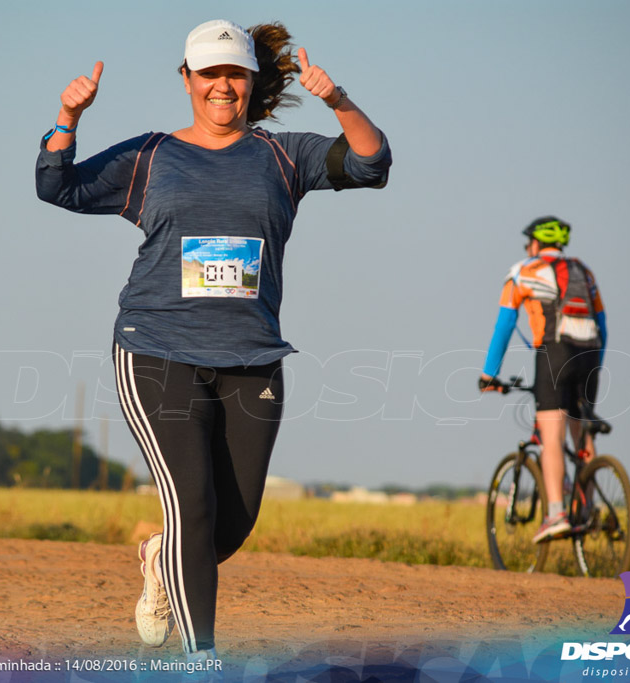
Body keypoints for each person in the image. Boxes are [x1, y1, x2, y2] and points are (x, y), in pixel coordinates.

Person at [35, 19, 391, 662]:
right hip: (156, 349)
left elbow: (371, 163)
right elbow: (57, 186)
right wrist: (68, 114)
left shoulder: (285, 156)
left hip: (252, 357)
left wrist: (338, 100)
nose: (222, 86)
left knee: (233, 522)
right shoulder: (149, 155)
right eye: (209, 73)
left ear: (251, 82)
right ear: (187, 79)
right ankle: (203, 660)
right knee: (193, 507)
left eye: (234, 73)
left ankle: (157, 557)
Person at [478, 216, 607, 543]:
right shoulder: (584, 271)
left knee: (551, 434)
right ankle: (588, 507)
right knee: (582, 433)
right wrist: (596, 369)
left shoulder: (524, 270)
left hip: (555, 353)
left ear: (535, 244)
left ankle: (555, 514)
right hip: (590, 355)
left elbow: (505, 325)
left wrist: (489, 374)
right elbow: (602, 327)